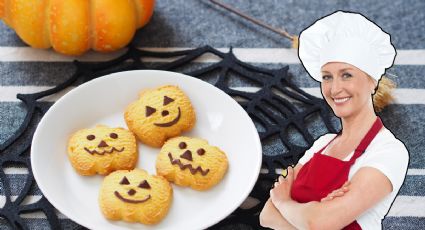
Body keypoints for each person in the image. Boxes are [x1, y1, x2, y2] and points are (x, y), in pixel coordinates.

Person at [259, 11, 409, 230]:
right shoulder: (322, 143)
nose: (335, 88)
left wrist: (284, 202)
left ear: (373, 82)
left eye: (346, 74)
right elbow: (267, 215)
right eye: (327, 77)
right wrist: (313, 213)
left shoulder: (389, 151)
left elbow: (319, 223)